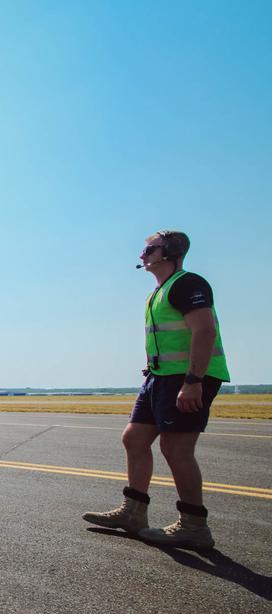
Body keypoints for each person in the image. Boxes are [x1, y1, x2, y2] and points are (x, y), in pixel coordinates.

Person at [82, 231, 229, 550]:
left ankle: (194, 526)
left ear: (171, 251)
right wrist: (154, 366)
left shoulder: (187, 283)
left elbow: (204, 331)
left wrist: (193, 381)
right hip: (161, 377)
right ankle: (133, 513)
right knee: (133, 438)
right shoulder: (160, 291)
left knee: (176, 449)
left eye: (149, 249)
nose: (142, 255)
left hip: (186, 378)